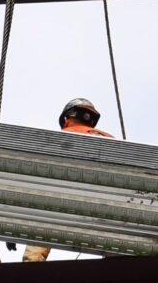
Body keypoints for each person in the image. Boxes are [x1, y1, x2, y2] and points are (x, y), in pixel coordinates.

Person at [23, 97, 117, 260]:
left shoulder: (62, 137)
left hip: (66, 201)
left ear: (66, 119)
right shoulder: (110, 139)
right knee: (117, 243)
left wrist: (17, 227)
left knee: (43, 224)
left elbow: (39, 178)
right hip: (107, 208)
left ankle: (30, 271)